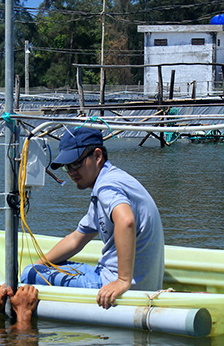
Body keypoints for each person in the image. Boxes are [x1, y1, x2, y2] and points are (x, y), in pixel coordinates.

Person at [21, 126, 164, 309]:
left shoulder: (107, 187)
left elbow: (126, 221)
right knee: (37, 269)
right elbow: (76, 239)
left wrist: (122, 280)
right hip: (141, 283)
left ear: (97, 156)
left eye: (76, 163)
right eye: (67, 166)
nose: (72, 171)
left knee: (28, 276)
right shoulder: (113, 180)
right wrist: (39, 264)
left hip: (116, 285)